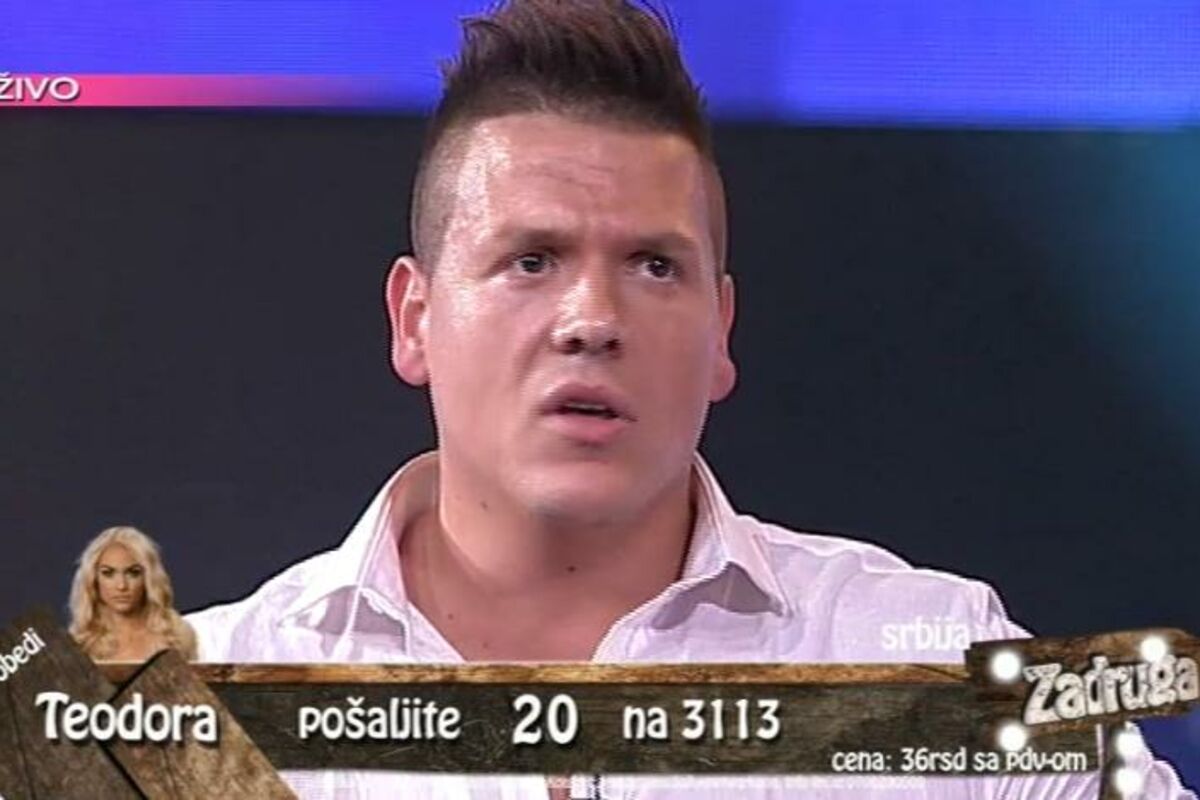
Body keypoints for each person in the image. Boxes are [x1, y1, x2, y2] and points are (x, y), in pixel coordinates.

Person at [187, 0, 1194, 797]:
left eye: (654, 266)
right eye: (531, 259)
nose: (592, 318)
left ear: (721, 331)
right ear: (415, 319)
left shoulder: (942, 659)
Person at [69, 525, 198, 662]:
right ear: (93, 579)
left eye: (133, 573)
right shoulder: (80, 642)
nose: (121, 586)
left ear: (149, 577)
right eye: (108, 573)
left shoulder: (176, 636)